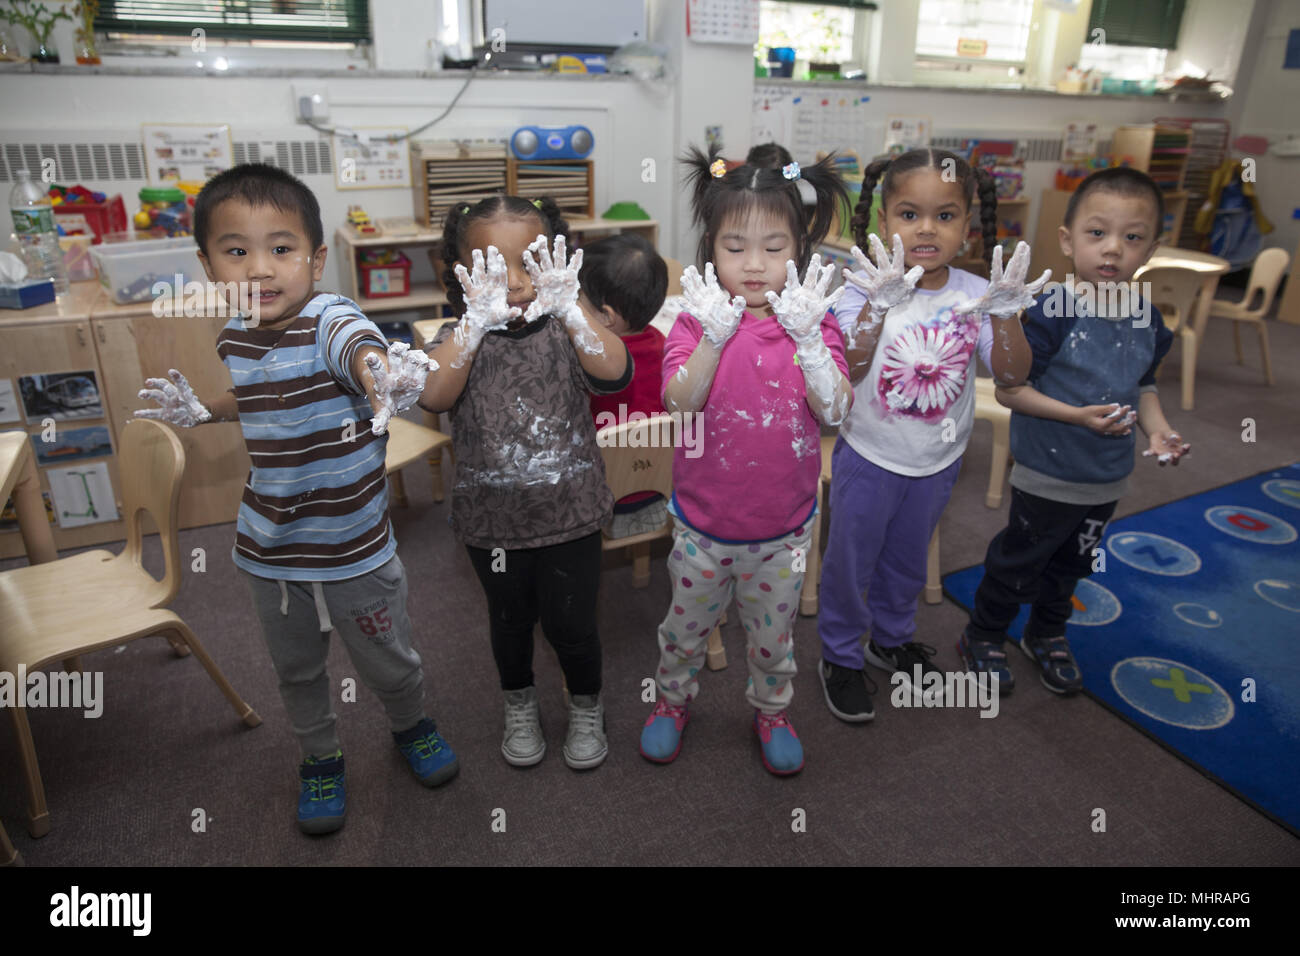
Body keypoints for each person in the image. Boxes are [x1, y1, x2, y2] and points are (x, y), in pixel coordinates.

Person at [135, 163, 456, 835]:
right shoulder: (236, 335)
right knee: (297, 670)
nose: (260, 268)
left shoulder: (328, 318)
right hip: (271, 550)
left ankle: (411, 723)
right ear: (208, 266)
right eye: (236, 251)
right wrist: (205, 411)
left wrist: (378, 375)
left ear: (314, 259)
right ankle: (320, 757)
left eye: (280, 249)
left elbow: (358, 349)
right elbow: (251, 395)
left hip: (354, 548)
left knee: (390, 661)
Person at [638, 145, 852, 775]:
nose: (754, 265)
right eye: (735, 247)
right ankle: (671, 702)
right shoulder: (694, 321)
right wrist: (711, 336)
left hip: (783, 529)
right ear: (711, 248)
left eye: (774, 246)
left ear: (800, 250)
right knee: (683, 630)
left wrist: (812, 341)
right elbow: (680, 404)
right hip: (703, 524)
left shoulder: (815, 322)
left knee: (772, 639)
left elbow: (836, 411)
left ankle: (773, 710)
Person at [817, 147, 1049, 723]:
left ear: (966, 227)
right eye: (909, 214)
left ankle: (890, 639)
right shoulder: (858, 288)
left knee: (907, 562)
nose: (926, 229)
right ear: (884, 221)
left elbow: (1014, 375)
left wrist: (1005, 315)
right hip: (868, 455)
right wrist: (876, 306)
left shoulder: (975, 294)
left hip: (940, 460)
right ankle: (840, 654)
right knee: (850, 562)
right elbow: (848, 364)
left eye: (944, 216)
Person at [958, 166, 1190, 693]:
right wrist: (1076, 416)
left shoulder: (1146, 318)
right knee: (1020, 560)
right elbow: (1012, 389)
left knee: (1072, 565)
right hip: (1047, 472)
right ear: (1067, 240)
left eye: (1132, 238)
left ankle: (1047, 633)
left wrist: (1158, 431)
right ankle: (984, 633)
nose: (1113, 250)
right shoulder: (1050, 310)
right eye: (1097, 233)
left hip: (1106, 478)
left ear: (1152, 248)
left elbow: (1144, 386)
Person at [420, 195, 630, 770]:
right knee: (509, 623)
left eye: (528, 262)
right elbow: (433, 396)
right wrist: (473, 322)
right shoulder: (455, 338)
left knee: (572, 625)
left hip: (572, 517)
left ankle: (586, 704)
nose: (512, 281)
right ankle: (519, 701)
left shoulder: (568, 328)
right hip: (493, 525)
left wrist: (572, 305)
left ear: (556, 262)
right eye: (491, 266)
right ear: (461, 273)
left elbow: (613, 371)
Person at [582, 233, 672, 539]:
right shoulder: (666, 346)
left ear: (606, 316)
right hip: (662, 486)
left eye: (578, 299)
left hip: (600, 494)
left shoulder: (590, 359)